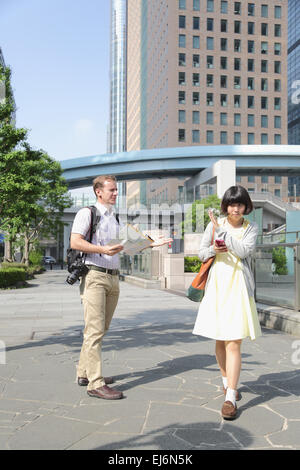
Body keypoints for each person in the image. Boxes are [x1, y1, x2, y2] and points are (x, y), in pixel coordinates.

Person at [70, 175, 172, 400]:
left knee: (99, 330)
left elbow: (125, 247)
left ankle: (84, 373)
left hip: (113, 278)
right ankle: (95, 384)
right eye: (112, 190)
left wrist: (151, 243)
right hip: (94, 276)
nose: (116, 193)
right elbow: (75, 242)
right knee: (94, 331)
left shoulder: (114, 217)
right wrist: (101, 250)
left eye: (116, 190)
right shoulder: (87, 213)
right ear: (99, 191)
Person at [192, 185, 262, 420]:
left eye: (240, 204)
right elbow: (201, 253)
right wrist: (214, 247)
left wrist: (225, 236)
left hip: (238, 287)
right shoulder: (213, 224)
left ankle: (230, 396)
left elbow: (244, 251)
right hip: (217, 285)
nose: (236, 209)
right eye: (232, 204)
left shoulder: (251, 227)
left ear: (246, 206)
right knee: (221, 338)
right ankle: (226, 382)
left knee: (234, 341)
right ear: (226, 205)